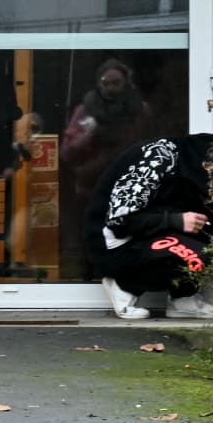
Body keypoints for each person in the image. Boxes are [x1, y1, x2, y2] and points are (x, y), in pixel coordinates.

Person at [84, 132, 213, 320]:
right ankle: (124, 285)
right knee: (199, 254)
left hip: (146, 236)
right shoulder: (156, 157)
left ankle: (183, 298)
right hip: (115, 246)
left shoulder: (185, 166)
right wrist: (176, 221)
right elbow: (120, 221)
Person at [58, 58, 153, 279]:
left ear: (126, 83)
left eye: (116, 83)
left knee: (126, 238)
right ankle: (88, 278)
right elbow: (67, 153)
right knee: (91, 239)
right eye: (105, 83)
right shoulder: (86, 110)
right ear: (98, 84)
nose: (110, 88)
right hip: (90, 187)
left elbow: (150, 145)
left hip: (128, 186)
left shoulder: (139, 110)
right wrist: (88, 135)